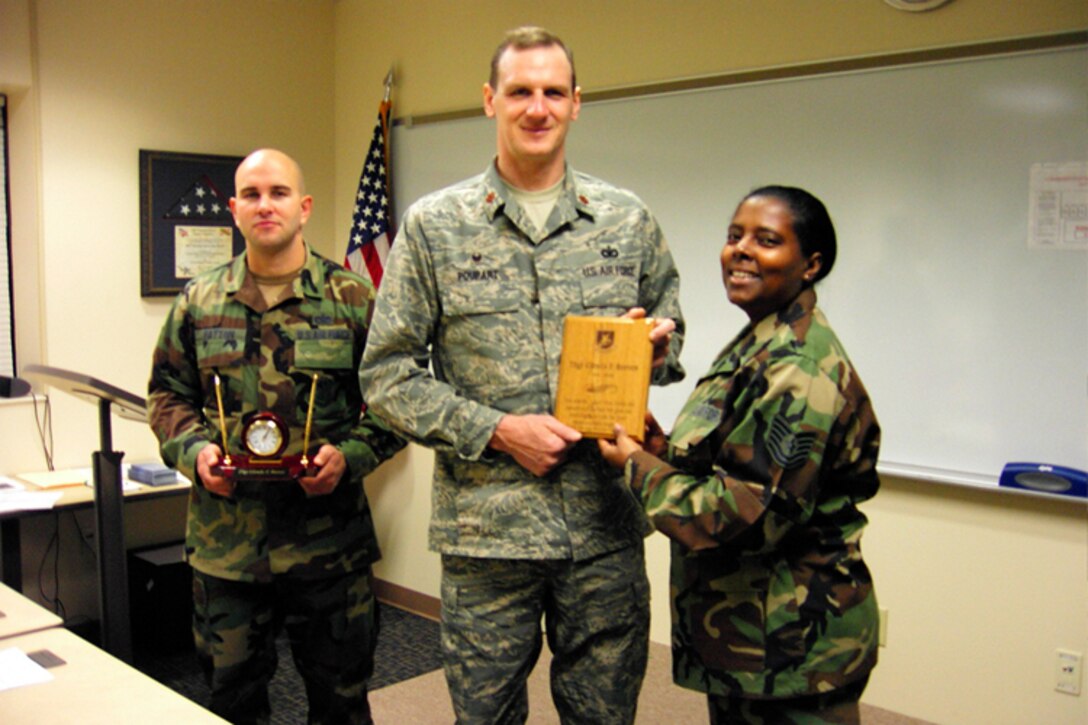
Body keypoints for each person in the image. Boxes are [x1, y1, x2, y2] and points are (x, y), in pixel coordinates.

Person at [360, 26, 685, 724]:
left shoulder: (626, 220)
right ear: (490, 100)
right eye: (520, 91)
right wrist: (500, 430)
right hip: (488, 535)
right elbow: (385, 374)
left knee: (604, 715)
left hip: (602, 523)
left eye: (552, 92)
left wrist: (656, 350)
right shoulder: (433, 227)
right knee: (485, 716)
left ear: (576, 103)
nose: (537, 107)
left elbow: (670, 323)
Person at [599, 186, 881, 724]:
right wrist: (661, 452)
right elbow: (733, 458)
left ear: (811, 264)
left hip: (792, 644)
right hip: (753, 636)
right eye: (734, 236)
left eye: (767, 240)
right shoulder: (762, 339)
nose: (741, 251)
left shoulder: (798, 366)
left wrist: (637, 467)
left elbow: (748, 518)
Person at [147, 148, 405, 724]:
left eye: (280, 193)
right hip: (227, 551)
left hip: (328, 547)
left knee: (341, 704)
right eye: (253, 195)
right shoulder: (199, 300)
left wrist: (351, 455)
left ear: (304, 206)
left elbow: (397, 403)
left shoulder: (353, 299)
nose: (267, 205)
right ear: (234, 209)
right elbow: (167, 395)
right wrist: (194, 452)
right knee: (233, 702)